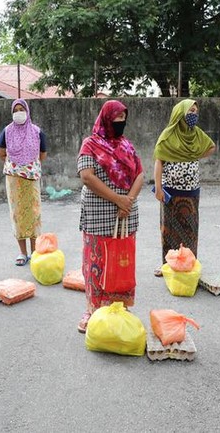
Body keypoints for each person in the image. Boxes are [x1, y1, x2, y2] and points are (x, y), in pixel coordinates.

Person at [77, 100, 144, 333]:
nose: (120, 123)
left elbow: (140, 175)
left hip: (125, 215)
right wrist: (118, 199)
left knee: (122, 263)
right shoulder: (91, 144)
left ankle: (120, 308)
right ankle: (93, 310)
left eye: (123, 119)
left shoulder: (127, 145)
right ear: (106, 118)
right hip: (98, 216)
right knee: (96, 264)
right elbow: (86, 176)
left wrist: (128, 201)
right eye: (116, 118)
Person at [152, 99, 216, 277]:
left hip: (191, 192)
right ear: (180, 114)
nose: (193, 115)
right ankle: (167, 266)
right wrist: (158, 187)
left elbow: (211, 147)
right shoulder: (168, 135)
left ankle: (189, 265)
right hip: (170, 191)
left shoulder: (196, 134)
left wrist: (194, 155)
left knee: (190, 229)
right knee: (169, 230)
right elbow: (159, 161)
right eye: (190, 111)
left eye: (195, 112)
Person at [0, 98, 47, 266]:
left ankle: (34, 252)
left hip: (31, 178)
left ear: (27, 111)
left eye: (21, 109)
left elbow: (42, 155)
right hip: (14, 180)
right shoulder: (7, 131)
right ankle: (22, 252)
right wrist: (16, 165)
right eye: (15, 110)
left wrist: (27, 165)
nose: (19, 113)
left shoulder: (37, 132)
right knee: (17, 214)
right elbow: (1, 153)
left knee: (33, 213)